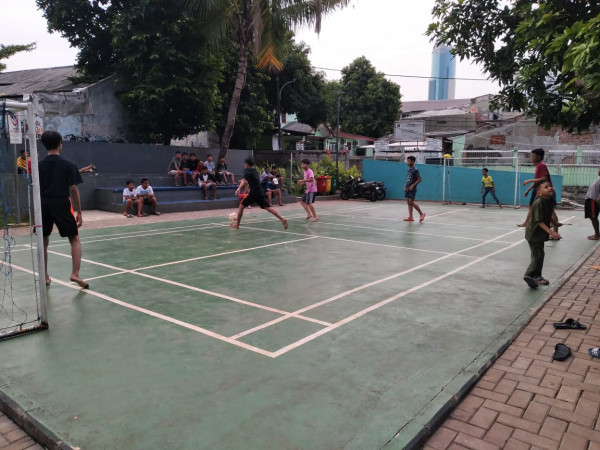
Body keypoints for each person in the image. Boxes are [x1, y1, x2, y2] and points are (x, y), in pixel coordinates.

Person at [38, 130, 88, 289]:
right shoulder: (69, 165)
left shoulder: (38, 166)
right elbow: (73, 189)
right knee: (74, 238)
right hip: (61, 203)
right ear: (60, 143)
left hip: (43, 203)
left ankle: (45, 276)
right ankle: (75, 273)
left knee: (43, 241)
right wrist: (79, 212)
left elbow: (34, 189)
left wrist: (35, 212)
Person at [231, 158, 288, 229]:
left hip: (254, 193)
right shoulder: (255, 171)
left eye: (245, 163)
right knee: (268, 208)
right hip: (260, 192)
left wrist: (238, 188)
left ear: (246, 164)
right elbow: (249, 180)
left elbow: (244, 180)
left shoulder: (247, 170)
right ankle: (282, 219)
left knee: (241, 206)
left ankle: (237, 225)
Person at [523, 180, 560, 288]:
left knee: (539, 254)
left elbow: (548, 216)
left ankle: (536, 276)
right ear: (539, 193)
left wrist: (555, 223)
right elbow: (539, 221)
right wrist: (551, 232)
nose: (550, 188)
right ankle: (530, 275)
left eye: (550, 186)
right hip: (534, 234)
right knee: (537, 255)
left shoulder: (548, 202)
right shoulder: (539, 203)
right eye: (546, 187)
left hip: (539, 234)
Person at [518, 148, 560, 232]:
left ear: (539, 157)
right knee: (536, 208)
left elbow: (543, 178)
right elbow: (537, 181)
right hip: (541, 192)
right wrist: (528, 190)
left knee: (550, 211)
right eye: (531, 156)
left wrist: (529, 180)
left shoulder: (542, 165)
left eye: (533, 156)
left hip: (547, 192)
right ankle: (529, 223)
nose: (531, 158)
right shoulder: (538, 166)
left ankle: (555, 231)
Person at [404, 155, 425, 222]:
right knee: (408, 202)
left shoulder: (416, 170)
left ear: (413, 162)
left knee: (411, 202)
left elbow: (420, 179)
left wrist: (413, 185)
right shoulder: (408, 170)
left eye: (409, 161)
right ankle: (410, 217)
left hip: (412, 189)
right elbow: (408, 179)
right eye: (407, 161)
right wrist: (405, 186)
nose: (407, 162)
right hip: (407, 188)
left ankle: (421, 214)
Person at [584, 168, 600, 240]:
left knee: (593, 217)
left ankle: (597, 235)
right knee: (592, 217)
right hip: (591, 200)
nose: (598, 171)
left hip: (593, 200)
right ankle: (597, 234)